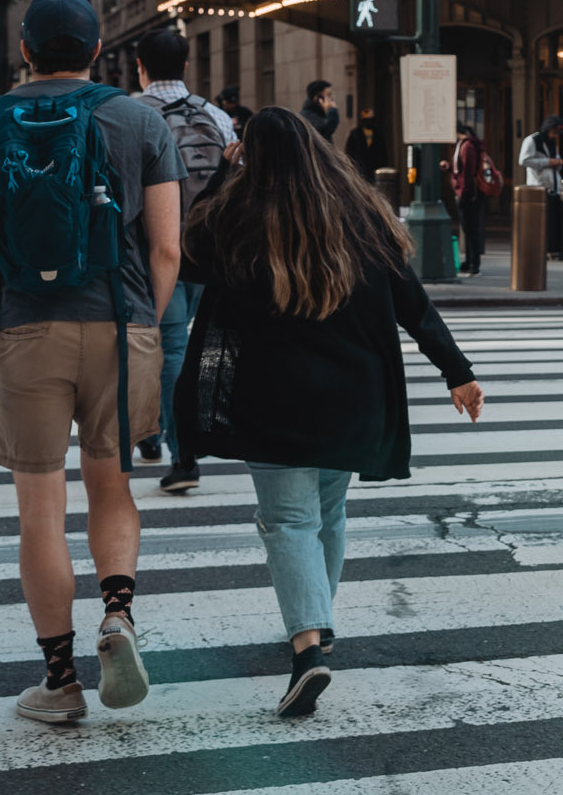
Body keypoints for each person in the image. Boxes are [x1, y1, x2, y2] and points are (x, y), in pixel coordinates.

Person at [175, 106, 485, 718]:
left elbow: (189, 247)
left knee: (287, 522)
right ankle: (318, 622)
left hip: (270, 400)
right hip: (352, 395)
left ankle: (307, 648)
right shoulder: (362, 215)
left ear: (252, 158)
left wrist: (221, 177)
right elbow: (413, 305)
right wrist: (459, 372)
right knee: (326, 512)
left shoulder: (238, 216)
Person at [0, 0, 185, 724]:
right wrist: (145, 317)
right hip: (118, 323)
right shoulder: (139, 119)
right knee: (111, 485)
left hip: (22, 330)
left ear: (25, 50)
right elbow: (167, 244)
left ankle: (58, 680)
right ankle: (118, 615)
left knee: (39, 507)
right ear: (100, 46)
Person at [132, 28, 236, 495]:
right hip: (211, 251)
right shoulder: (215, 115)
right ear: (187, 67)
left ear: (140, 65)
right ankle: (166, 439)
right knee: (195, 351)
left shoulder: (128, 115)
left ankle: (178, 453)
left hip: (157, 252)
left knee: (165, 351)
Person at [519, 115, 563, 258]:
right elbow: (523, 160)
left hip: (554, 184)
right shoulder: (532, 140)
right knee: (541, 221)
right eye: (554, 132)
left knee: (553, 220)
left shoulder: (552, 143)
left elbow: (555, 159)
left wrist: (557, 163)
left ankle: (553, 248)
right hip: (538, 185)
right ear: (548, 129)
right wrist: (548, 162)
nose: (555, 136)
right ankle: (541, 248)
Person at [451, 122, 492, 277]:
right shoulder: (467, 144)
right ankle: (469, 261)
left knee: (471, 230)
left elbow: (468, 172)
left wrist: (462, 192)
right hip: (471, 193)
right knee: (468, 230)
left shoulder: (467, 146)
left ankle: (474, 264)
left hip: (470, 194)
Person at [344, 108, 385, 174]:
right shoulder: (355, 133)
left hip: (375, 168)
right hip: (359, 168)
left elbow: (382, 152)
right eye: (366, 120)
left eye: (370, 120)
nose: (368, 122)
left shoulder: (378, 133)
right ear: (362, 121)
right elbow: (349, 151)